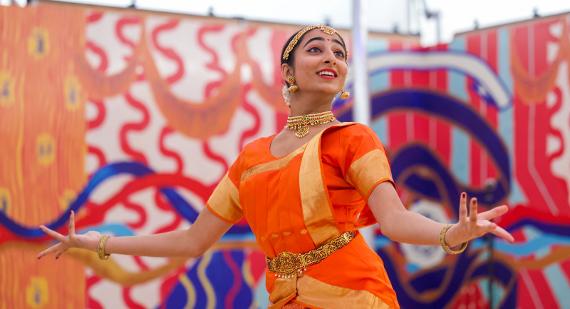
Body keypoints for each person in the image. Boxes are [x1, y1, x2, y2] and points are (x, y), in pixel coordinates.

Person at [38, 25, 514, 308]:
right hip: (284, 297)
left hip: (355, 294)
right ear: (287, 73)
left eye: (340, 54)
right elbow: (192, 240)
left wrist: (452, 234)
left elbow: (395, 220)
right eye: (316, 50)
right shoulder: (251, 158)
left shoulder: (352, 139)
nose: (331, 58)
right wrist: (96, 242)